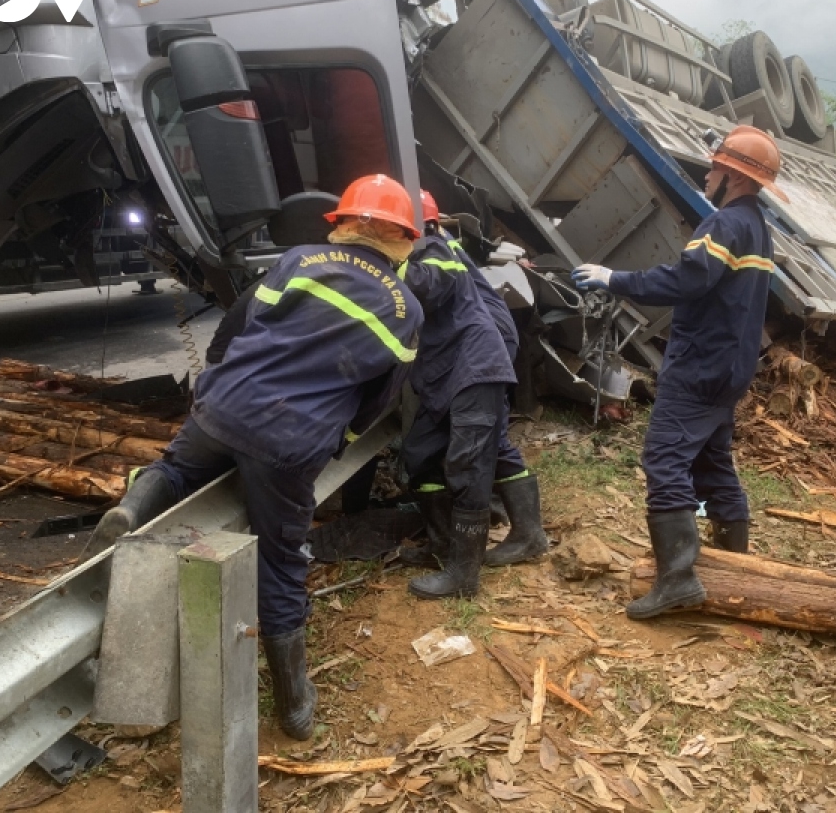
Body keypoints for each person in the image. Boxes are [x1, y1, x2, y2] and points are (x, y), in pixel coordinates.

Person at [83, 174, 422, 738]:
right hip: (289, 442)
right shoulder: (405, 308)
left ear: (341, 224)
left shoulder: (297, 261)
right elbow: (379, 398)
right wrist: (341, 435)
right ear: (402, 238)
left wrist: (213, 387)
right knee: (282, 561)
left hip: (223, 410)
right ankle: (293, 706)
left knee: (174, 466)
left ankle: (130, 512)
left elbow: (235, 325)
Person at [571, 125, 783, 620]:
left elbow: (687, 279)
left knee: (665, 461)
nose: (707, 176)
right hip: (730, 368)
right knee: (712, 465)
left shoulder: (725, 226)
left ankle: (678, 580)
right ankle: (735, 561)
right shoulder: (757, 228)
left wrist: (613, 278)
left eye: (713, 167)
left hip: (700, 367)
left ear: (731, 174)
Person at [399, 191, 548, 570]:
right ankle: (443, 543)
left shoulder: (434, 251)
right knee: (422, 451)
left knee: (479, 450)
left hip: (478, 357)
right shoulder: (435, 248)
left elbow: (426, 288)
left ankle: (515, 540)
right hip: (457, 360)